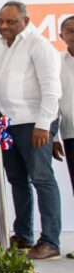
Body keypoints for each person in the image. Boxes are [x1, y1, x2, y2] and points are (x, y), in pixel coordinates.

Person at [0, 1, 62, 260]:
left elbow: (52, 89)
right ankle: (23, 235)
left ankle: (50, 241)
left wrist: (44, 125)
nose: (4, 26)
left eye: (11, 21)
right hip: (5, 125)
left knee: (42, 179)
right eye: (1, 21)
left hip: (34, 123)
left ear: (26, 21)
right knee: (17, 180)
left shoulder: (39, 45)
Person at [53, 15, 74, 259]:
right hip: (70, 134)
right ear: (62, 36)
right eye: (70, 30)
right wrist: (53, 137)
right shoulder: (57, 63)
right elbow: (53, 100)